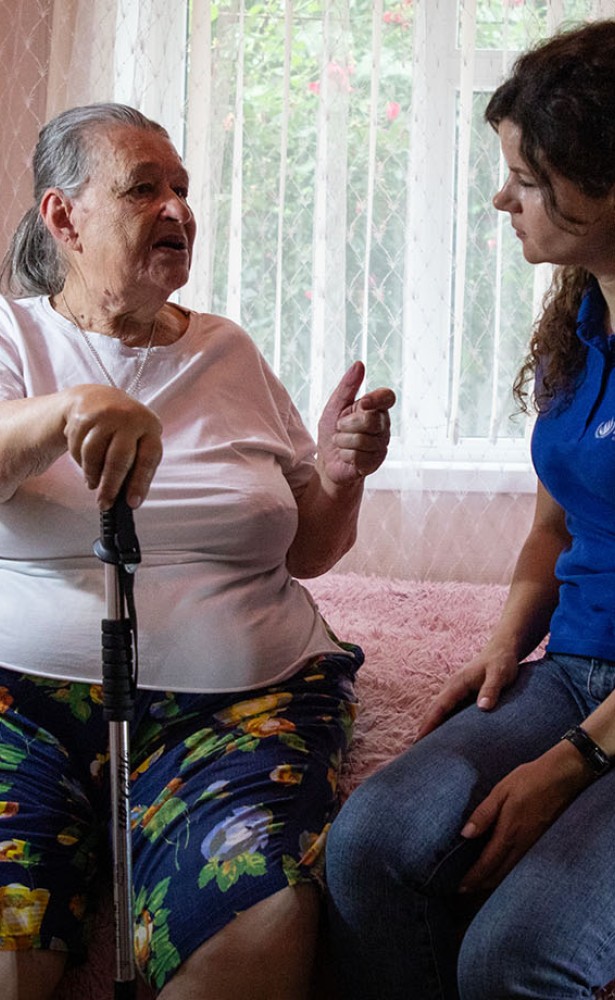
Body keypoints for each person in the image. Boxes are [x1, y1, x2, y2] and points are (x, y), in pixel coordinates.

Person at [0, 102, 395, 1000]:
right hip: (19, 701)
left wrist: (337, 477)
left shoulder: (228, 351)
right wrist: (67, 411)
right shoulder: (15, 337)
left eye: (181, 189)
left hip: (239, 706)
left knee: (256, 912)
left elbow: (311, 551)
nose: (177, 209)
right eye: (144, 188)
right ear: (64, 217)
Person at [325, 18, 615, 1000]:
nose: (504, 199)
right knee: (367, 845)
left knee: (515, 955)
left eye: (527, 181)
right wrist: (505, 649)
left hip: (601, 719)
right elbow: (554, 524)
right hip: (574, 671)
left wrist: (568, 765)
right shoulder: (580, 323)